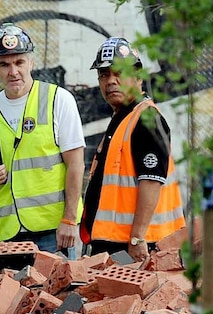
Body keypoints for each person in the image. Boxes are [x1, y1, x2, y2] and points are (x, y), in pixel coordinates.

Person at [0, 23, 85, 255]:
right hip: (10, 232)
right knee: (13, 292)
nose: (13, 71)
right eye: (4, 64)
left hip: (54, 230)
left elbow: (76, 164)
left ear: (31, 63)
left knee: (56, 292)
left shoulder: (58, 100)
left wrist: (70, 220)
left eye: (19, 62)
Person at [81, 37, 186, 262]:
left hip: (135, 247)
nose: (111, 81)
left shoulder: (146, 118)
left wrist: (137, 238)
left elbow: (151, 181)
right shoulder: (123, 118)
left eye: (119, 72)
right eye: (104, 74)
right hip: (115, 242)